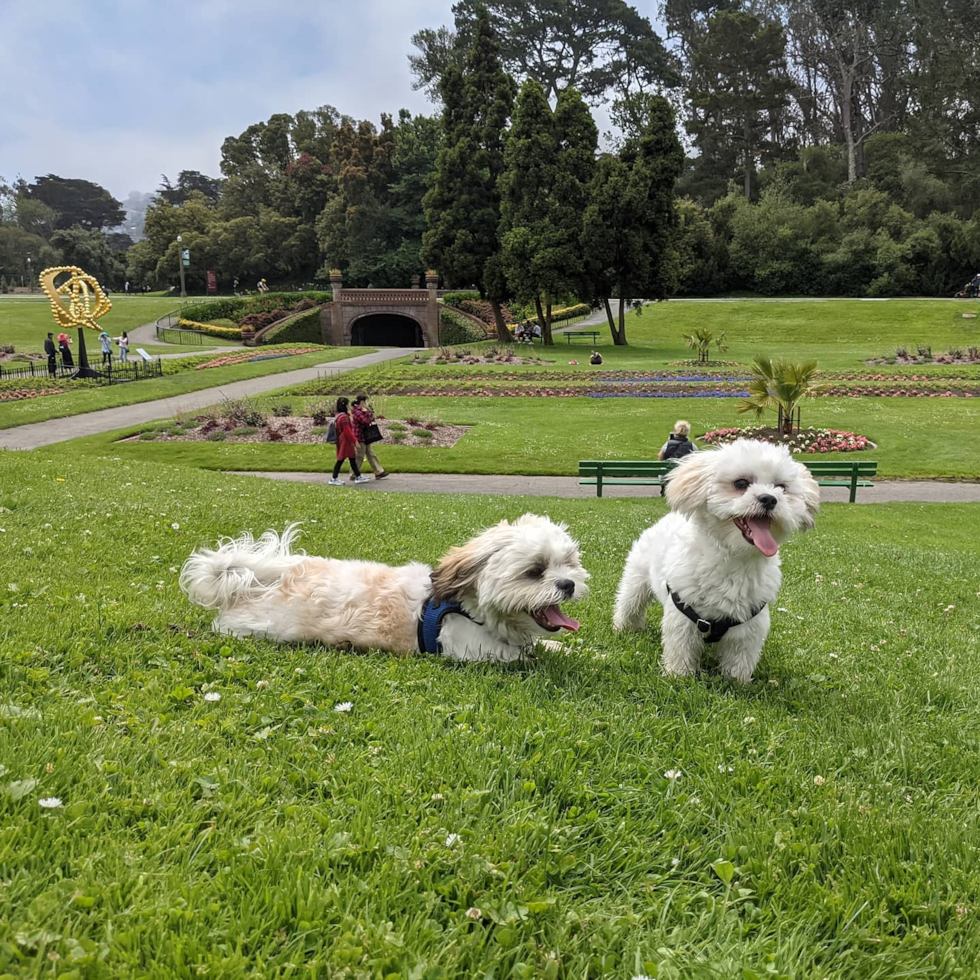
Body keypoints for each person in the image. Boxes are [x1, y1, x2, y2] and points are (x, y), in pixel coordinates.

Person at [329, 397, 370, 486]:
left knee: (352, 458)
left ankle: (358, 476)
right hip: (345, 441)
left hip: (343, 440)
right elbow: (347, 431)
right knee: (341, 459)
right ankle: (334, 478)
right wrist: (355, 441)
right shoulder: (344, 417)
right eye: (348, 404)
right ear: (345, 405)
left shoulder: (339, 415)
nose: (349, 406)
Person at [351, 393, 388, 481]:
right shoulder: (357, 412)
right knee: (359, 456)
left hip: (365, 436)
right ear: (362, 402)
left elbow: (371, 417)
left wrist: (367, 413)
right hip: (359, 437)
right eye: (365, 401)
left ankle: (379, 472)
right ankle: (353, 474)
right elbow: (366, 421)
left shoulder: (361, 411)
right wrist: (367, 412)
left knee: (371, 454)